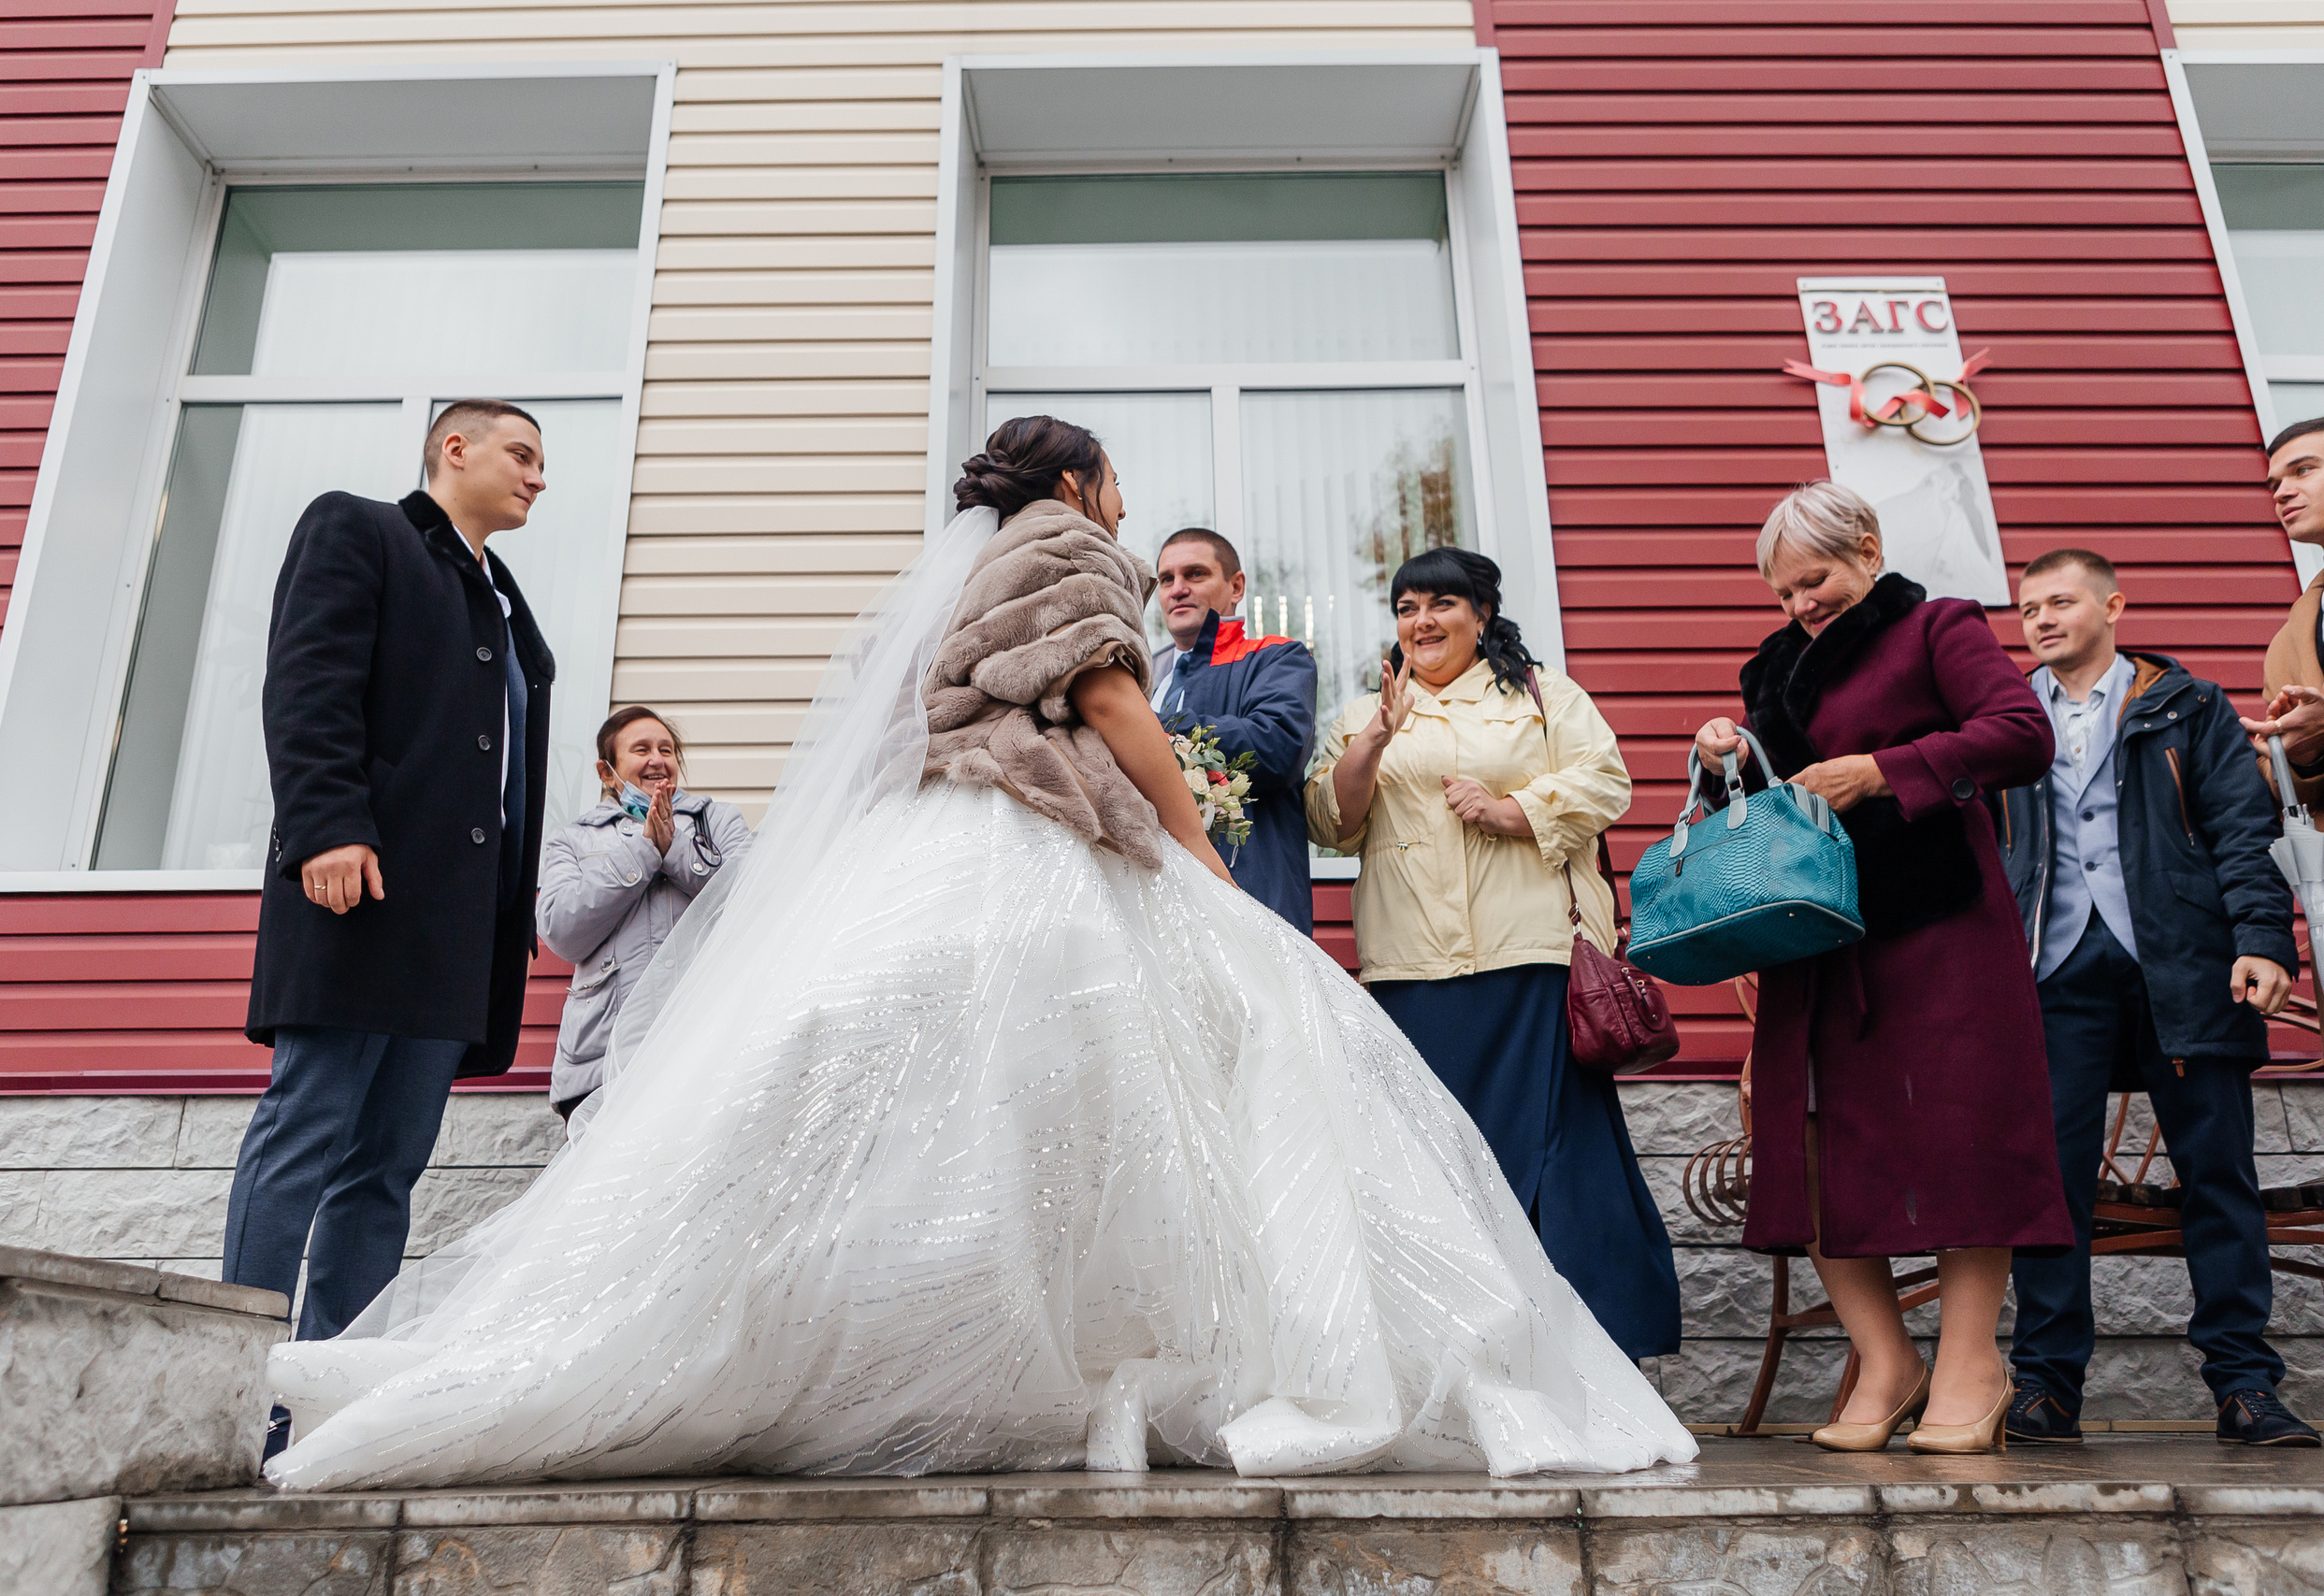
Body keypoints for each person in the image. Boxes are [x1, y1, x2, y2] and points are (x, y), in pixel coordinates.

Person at [257, 416, 1697, 1489]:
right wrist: (1196, 847)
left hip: (953, 834)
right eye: (1116, 480)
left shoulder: (967, 570)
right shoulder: (1070, 549)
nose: (1126, 506)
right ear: (1075, 486)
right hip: (1043, 838)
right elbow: (1115, 707)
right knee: (1197, 1075)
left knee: (985, 1105)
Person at [1693, 481, 2069, 1455]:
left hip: (1938, 921)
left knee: (1958, 1130)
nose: (1798, 607)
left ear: (1866, 547)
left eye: (1811, 581)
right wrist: (1722, 758)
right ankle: (1886, 1357)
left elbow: (2022, 734)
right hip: (1813, 931)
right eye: (1781, 594)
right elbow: (1768, 792)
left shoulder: (1937, 626)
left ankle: (1971, 1363)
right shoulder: (1773, 667)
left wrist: (1883, 770)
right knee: (1807, 1140)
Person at [226, 400, 556, 1454]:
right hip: (357, 893)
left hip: (453, 933)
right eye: (523, 454)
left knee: (387, 1168)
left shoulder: (505, 605)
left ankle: (321, 1410)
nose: (538, 478)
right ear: (451, 448)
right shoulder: (359, 528)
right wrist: (325, 826)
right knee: (305, 1133)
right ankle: (232, 1388)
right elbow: (307, 682)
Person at [1303, 547, 1679, 1362]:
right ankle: (1460, 1358)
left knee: (1555, 1158)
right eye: (1406, 608)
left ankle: (1590, 1355)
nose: (1422, 622)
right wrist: (1374, 736)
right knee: (1435, 1167)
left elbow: (1607, 780)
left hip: (1531, 959)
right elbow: (1332, 821)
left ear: (1481, 614)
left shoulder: (1543, 696)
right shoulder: (1365, 711)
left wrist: (1515, 809)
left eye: (1441, 604)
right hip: (1411, 971)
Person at [1998, 549, 2314, 1446]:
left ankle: (2245, 1386)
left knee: (2219, 1177)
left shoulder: (2191, 704)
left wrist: (2261, 940)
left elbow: (2242, 832)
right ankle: (2048, 1385)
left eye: (2061, 601)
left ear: (2114, 605)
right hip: (2052, 970)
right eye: (2029, 608)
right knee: (2049, 1186)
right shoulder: (2009, 718)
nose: (2043, 618)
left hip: (2183, 961)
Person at [537, 706, 753, 1122]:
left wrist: (674, 849)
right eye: (641, 749)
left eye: (666, 749)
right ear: (607, 772)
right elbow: (561, 932)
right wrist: (644, 850)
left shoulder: (719, 821)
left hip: (707, 1050)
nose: (658, 759)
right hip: (602, 1065)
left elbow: (748, 900)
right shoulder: (573, 839)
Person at [1148, 527, 1318, 931]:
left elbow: (1277, 747)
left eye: (1195, 574)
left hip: (1251, 898)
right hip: (1154, 902)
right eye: (1166, 580)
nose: (1178, 589)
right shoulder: (1141, 675)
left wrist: (1147, 727)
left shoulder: (1278, 657)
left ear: (1235, 585)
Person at [2243, 418, 2324, 801]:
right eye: (2274, 484)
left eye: (2303, 470)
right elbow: (2278, 788)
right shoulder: (2288, 642)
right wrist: (2303, 756)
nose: (2280, 494)